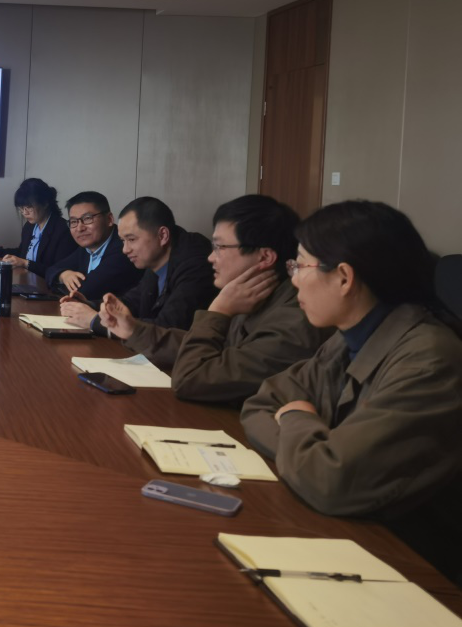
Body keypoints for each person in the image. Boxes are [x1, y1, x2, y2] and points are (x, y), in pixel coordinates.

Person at [241, 201, 462, 585]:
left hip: (412, 568)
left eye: (300, 266)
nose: (293, 281)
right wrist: (308, 454)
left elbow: (330, 480)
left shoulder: (429, 360)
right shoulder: (350, 338)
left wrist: (295, 417)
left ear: (344, 277)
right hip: (342, 534)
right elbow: (260, 404)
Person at [98, 194, 326, 399]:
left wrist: (218, 312)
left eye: (219, 247)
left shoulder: (294, 321)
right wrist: (134, 330)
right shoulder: (250, 295)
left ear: (265, 257)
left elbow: (191, 378)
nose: (210, 258)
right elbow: (210, 349)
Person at [61, 196, 214, 349]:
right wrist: (91, 305)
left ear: (163, 235)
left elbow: (167, 329)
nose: (125, 250)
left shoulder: (195, 266)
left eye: (132, 239)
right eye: (123, 241)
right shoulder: (157, 259)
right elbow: (133, 302)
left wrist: (94, 320)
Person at [43, 191, 142, 301]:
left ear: (109, 219)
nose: (80, 228)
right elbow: (50, 270)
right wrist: (63, 275)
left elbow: (85, 291)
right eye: (74, 221)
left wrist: (60, 282)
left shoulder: (123, 248)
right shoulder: (87, 248)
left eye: (87, 218)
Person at [0, 177, 74, 278]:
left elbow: (58, 271)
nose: (25, 213)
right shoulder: (30, 226)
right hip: (27, 280)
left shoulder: (63, 230)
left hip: (46, 285)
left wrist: (25, 263)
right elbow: (21, 253)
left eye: (29, 207)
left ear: (45, 203)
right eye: (21, 208)